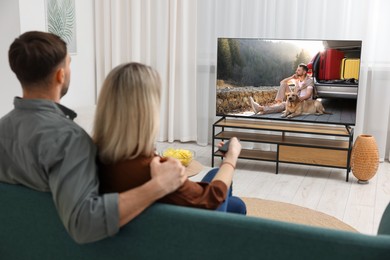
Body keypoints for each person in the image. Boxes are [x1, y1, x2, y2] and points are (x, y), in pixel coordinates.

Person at [0, 31, 186, 244]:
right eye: (69, 63)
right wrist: (159, 185)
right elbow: (84, 224)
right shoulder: (70, 140)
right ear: (61, 75)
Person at [93, 62, 246, 214]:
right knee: (237, 206)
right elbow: (213, 200)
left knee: (220, 181)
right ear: (147, 111)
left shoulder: (93, 155)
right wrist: (231, 158)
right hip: (190, 227)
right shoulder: (155, 171)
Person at [249, 63, 315, 114]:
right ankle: (278, 104)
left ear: (304, 72)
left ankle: (260, 108)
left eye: (298, 70)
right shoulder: (296, 80)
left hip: (302, 102)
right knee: (284, 84)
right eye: (297, 70)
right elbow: (282, 82)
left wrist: (297, 99)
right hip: (294, 97)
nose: (296, 71)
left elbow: (308, 95)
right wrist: (291, 78)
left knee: (283, 105)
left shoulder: (309, 81)